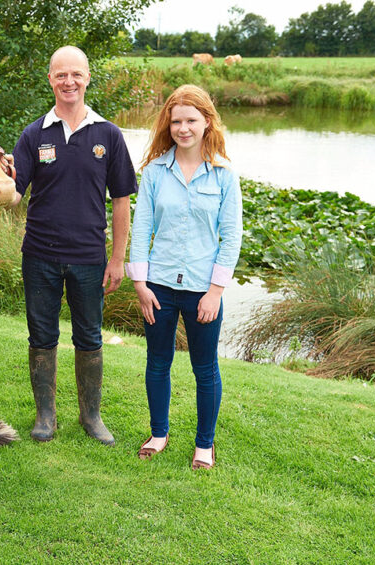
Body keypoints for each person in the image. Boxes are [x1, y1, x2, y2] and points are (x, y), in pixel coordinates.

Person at [12, 46, 137, 446]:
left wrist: (117, 259)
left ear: (87, 78)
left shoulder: (108, 135)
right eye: (61, 75)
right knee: (41, 335)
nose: (69, 82)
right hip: (40, 256)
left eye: (76, 75)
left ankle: (91, 416)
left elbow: (121, 200)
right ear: (50, 79)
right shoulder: (34, 134)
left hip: (88, 258)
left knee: (89, 336)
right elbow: (13, 194)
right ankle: (45, 416)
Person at [126, 84, 242, 469]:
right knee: (157, 362)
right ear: (168, 124)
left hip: (202, 291)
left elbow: (232, 237)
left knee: (205, 368)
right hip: (158, 286)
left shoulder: (224, 175)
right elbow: (141, 228)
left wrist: (215, 292)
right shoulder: (156, 172)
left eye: (191, 120)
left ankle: (204, 445)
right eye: (176, 121)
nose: (183, 128)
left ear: (207, 122)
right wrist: (140, 284)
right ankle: (159, 433)